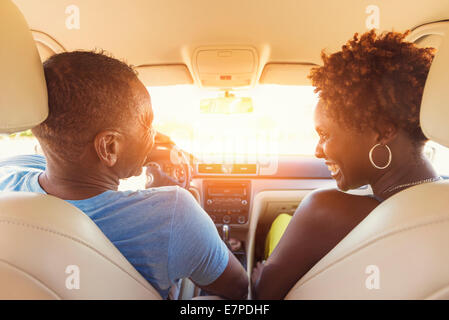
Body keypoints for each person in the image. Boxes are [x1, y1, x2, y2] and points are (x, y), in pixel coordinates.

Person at [0, 51, 248, 300]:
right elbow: (238, 288)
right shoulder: (173, 214)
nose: (153, 134)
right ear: (109, 147)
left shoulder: (6, 181)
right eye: (148, 123)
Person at [251, 30, 440, 300]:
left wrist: (259, 277)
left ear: (383, 131)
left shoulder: (323, 212)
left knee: (281, 224)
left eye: (325, 135)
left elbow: (262, 297)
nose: (317, 151)